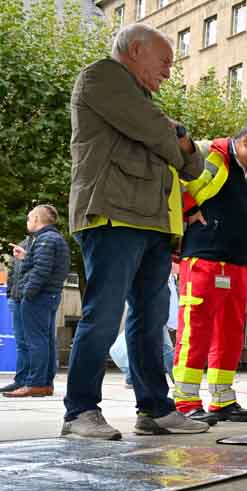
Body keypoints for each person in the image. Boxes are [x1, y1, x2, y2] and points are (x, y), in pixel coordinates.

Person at [63, 24, 208, 439]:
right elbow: (162, 137)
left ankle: (155, 409)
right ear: (136, 49)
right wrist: (175, 136)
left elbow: (192, 165)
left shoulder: (143, 101)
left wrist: (179, 142)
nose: (168, 72)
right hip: (112, 216)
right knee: (103, 316)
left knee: (150, 321)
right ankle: (79, 412)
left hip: (151, 223)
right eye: (164, 61)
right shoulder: (102, 77)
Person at [172, 117, 247, 423]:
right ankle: (186, 400)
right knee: (196, 329)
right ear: (245, 141)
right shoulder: (209, 156)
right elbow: (175, 180)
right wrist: (189, 210)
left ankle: (222, 398)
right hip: (203, 258)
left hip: (236, 264)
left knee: (230, 332)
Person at [4, 205, 69, 398]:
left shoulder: (45, 240)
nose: (27, 222)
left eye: (29, 219)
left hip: (38, 297)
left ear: (36, 220)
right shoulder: (52, 239)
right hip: (47, 296)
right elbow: (40, 265)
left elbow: (41, 271)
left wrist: (27, 293)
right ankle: (44, 383)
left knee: (36, 341)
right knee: (45, 340)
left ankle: (36, 383)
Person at [109, 264, 179, 387]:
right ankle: (178, 380)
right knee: (165, 347)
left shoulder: (169, 276)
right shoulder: (161, 270)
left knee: (159, 345)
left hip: (155, 311)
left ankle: (132, 376)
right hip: (153, 309)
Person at [1, 232, 34, 394]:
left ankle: (35, 381)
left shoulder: (44, 243)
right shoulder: (22, 242)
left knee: (32, 342)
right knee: (21, 343)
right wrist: (9, 295)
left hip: (29, 299)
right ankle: (20, 380)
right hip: (15, 299)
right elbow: (13, 272)